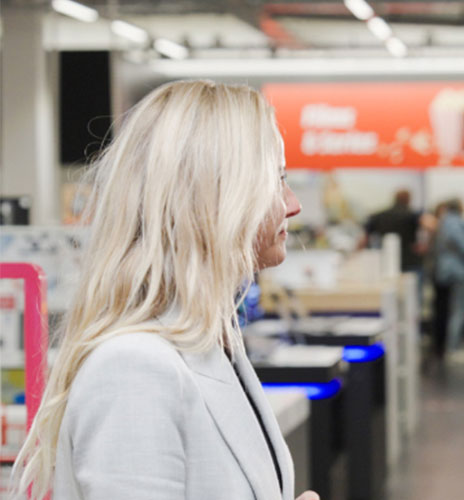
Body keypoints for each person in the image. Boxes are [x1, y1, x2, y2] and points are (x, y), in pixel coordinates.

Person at [12, 81, 318, 500]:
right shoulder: (133, 368)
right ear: (210, 197)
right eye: (275, 178)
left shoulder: (211, 344)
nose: (293, 203)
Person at [434, 198, 464, 360]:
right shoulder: (454, 223)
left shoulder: (445, 222)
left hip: (450, 270)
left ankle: (452, 347)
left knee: (456, 309)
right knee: (460, 310)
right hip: (458, 271)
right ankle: (453, 349)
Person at [364, 188, 422, 272]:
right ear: (409, 199)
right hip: (409, 259)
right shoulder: (413, 215)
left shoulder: (379, 215)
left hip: (385, 257)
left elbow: (366, 237)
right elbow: (427, 229)